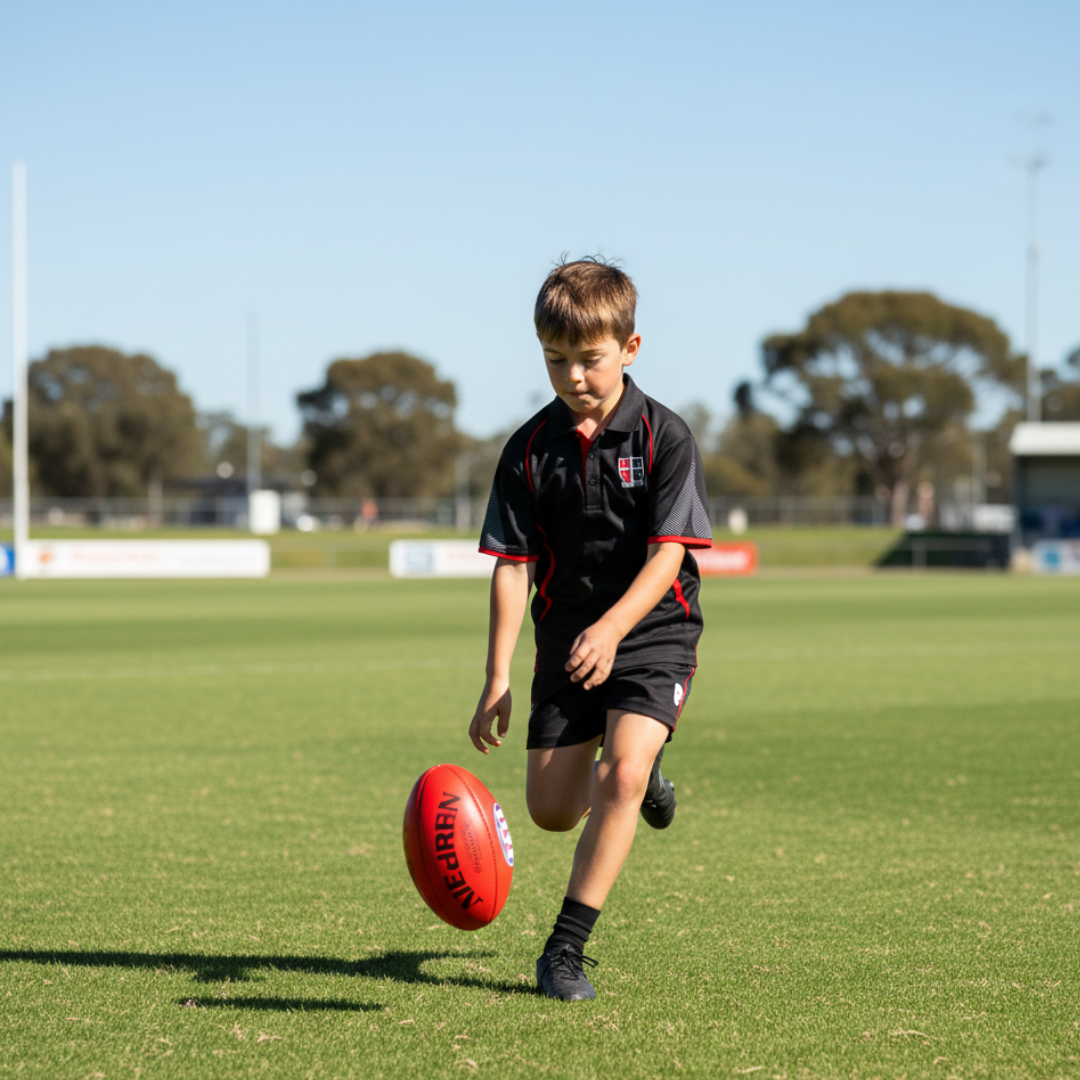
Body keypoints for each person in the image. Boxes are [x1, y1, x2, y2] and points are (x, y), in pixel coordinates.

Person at [470, 258, 712, 1001]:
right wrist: (498, 678)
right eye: (555, 360)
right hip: (565, 639)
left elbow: (670, 552)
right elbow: (511, 566)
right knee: (549, 810)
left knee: (621, 772)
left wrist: (612, 628)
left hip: (652, 629)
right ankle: (639, 780)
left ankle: (565, 951)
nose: (573, 375)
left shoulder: (665, 436)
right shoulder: (528, 449)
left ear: (630, 348)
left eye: (590, 359)